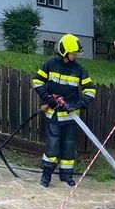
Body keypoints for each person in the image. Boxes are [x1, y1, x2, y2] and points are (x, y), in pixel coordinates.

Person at [32, 33, 96, 187]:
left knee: (69, 146)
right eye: (73, 53)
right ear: (64, 52)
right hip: (53, 114)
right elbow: (37, 81)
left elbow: (90, 90)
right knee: (52, 146)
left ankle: (66, 175)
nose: (76, 56)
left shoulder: (80, 70)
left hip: (71, 116)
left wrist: (78, 104)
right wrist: (48, 98)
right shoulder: (50, 64)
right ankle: (46, 176)